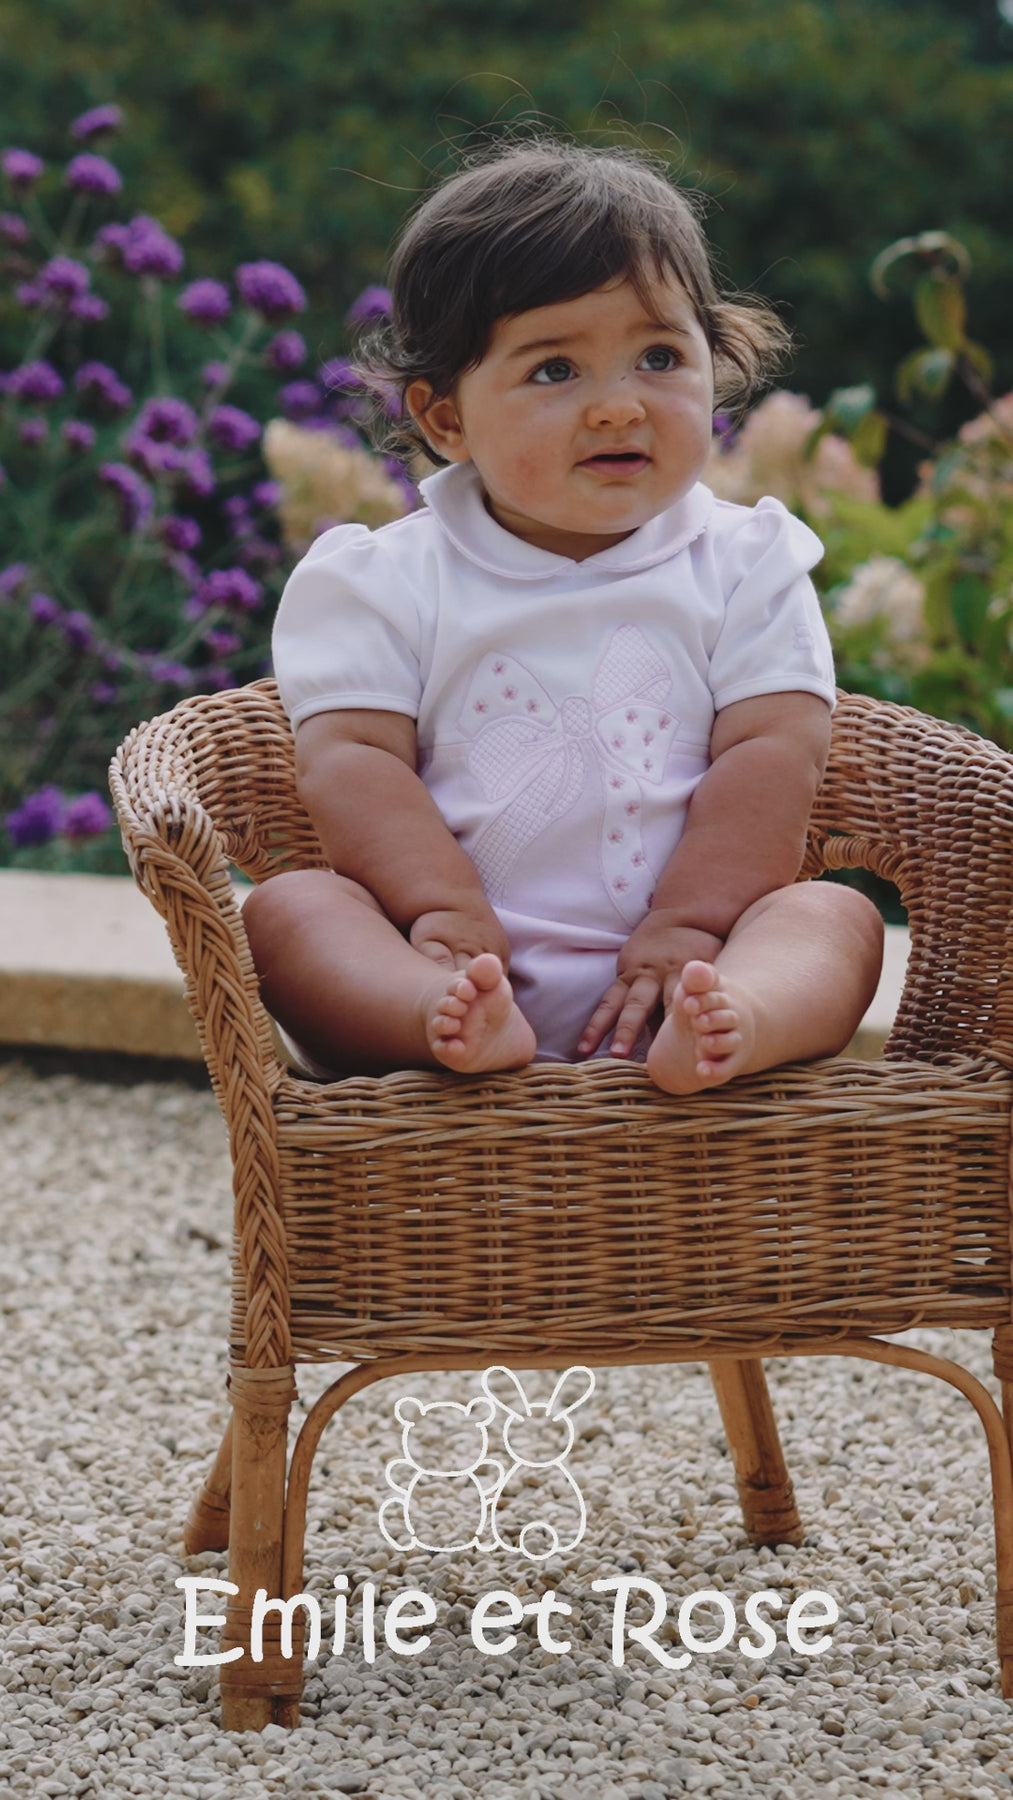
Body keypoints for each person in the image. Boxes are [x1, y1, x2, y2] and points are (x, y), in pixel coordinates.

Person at [248, 139, 884, 1094]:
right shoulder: (385, 578)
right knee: (289, 911)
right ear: (446, 419)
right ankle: (437, 1023)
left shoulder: (746, 562)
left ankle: (736, 1023)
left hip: (694, 965)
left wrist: (691, 927)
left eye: (659, 356)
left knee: (834, 919)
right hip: (444, 957)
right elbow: (352, 762)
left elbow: (774, 754)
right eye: (555, 370)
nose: (618, 407)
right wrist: (441, 914)